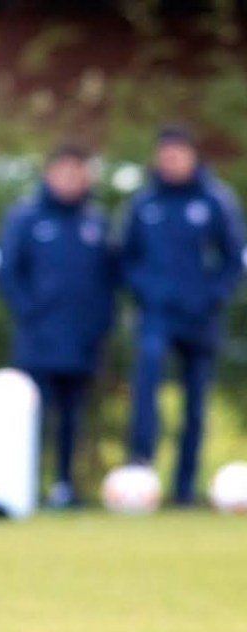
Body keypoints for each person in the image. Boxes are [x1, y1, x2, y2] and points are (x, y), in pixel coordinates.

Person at [120, 125, 245, 505]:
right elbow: (126, 259)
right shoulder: (144, 204)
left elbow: (232, 259)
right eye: (165, 155)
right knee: (147, 381)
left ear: (191, 156)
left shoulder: (215, 201)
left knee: (195, 405)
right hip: (157, 315)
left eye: (178, 154)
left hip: (200, 317)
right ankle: (139, 471)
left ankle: (184, 488)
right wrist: (147, 292)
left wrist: (211, 295)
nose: (171, 162)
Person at [0, 143, 116, 507]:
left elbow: (109, 280)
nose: (69, 179)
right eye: (63, 171)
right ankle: (26, 489)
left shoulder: (96, 221)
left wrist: (99, 325)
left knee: (72, 419)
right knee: (34, 418)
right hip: (38, 339)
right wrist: (30, 312)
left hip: (82, 340)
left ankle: (65, 487)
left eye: (76, 172)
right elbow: (8, 273)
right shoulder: (25, 218)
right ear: (49, 174)